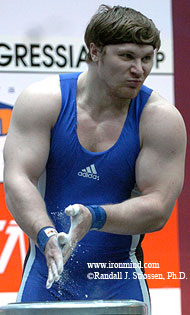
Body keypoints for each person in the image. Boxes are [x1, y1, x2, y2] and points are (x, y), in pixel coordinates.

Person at [3, 4, 186, 315]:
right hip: (45, 273)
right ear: (95, 51)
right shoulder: (44, 100)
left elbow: (158, 210)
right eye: (127, 56)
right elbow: (18, 179)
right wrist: (46, 235)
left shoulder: (160, 118)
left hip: (118, 277)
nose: (139, 69)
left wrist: (94, 216)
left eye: (147, 58)